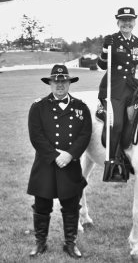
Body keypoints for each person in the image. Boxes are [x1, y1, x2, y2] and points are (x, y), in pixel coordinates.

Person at [27, 64, 92, 259]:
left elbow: (85, 134)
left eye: (63, 81)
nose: (60, 85)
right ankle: (40, 243)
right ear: (50, 83)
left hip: (70, 166)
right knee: (41, 206)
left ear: (69, 83)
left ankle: (70, 244)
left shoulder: (81, 107)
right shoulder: (38, 107)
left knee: (72, 206)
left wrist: (70, 155)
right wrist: (56, 156)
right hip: (46, 165)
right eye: (56, 81)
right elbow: (36, 136)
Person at [97, 7, 138, 182]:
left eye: (130, 20)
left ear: (135, 22)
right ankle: (114, 164)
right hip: (113, 89)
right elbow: (101, 64)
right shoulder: (112, 40)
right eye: (123, 20)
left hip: (131, 89)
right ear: (118, 22)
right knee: (117, 124)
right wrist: (105, 51)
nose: (127, 23)